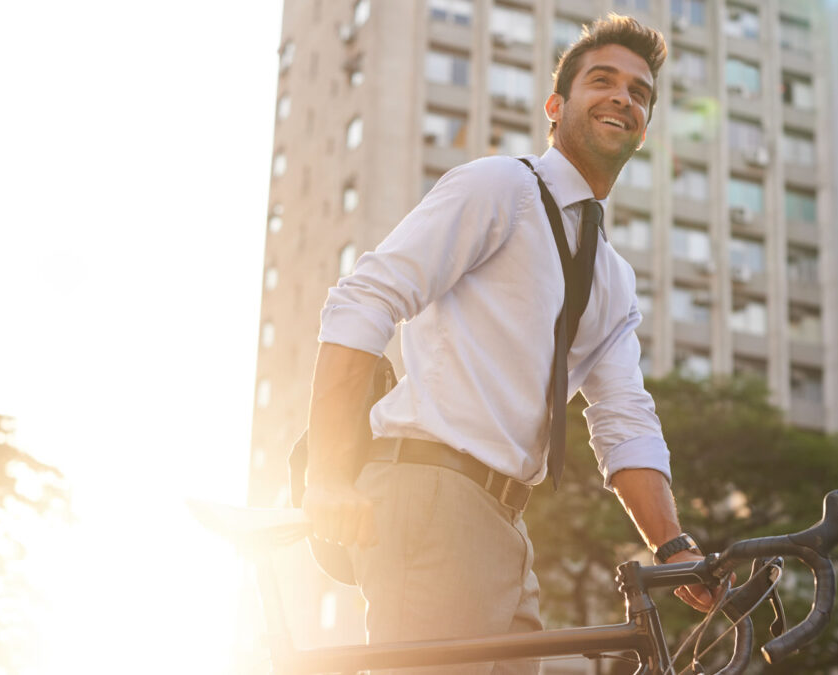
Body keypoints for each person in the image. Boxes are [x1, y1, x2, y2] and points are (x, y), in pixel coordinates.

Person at [303, 12, 713, 673]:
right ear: (556, 106)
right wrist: (325, 475)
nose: (623, 97)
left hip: (504, 521)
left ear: (646, 124)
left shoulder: (610, 276)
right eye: (602, 81)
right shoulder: (503, 187)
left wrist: (674, 546)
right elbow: (365, 297)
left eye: (640, 92)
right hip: (431, 488)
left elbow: (622, 418)